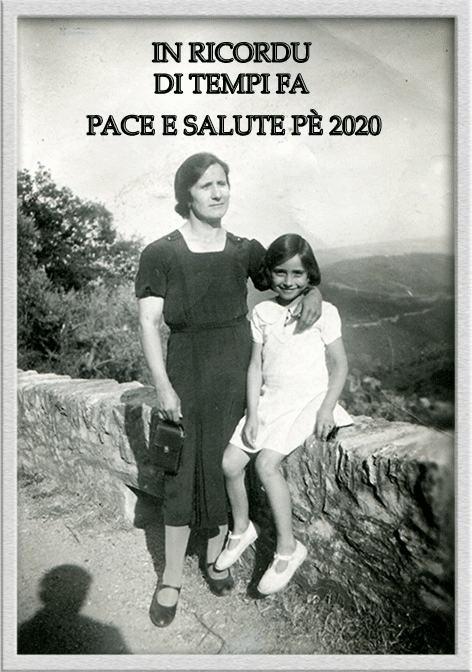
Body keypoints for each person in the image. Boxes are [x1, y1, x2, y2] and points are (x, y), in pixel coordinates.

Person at [135, 153, 322, 627]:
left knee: (224, 464)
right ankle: (170, 578)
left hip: (237, 371)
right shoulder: (161, 253)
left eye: (223, 183)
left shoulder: (245, 249)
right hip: (186, 369)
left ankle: (217, 559)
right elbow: (149, 322)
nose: (218, 193)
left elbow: (287, 280)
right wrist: (163, 386)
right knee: (181, 472)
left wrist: (314, 291)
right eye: (206, 185)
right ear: (186, 194)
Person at [215, 234, 352, 595]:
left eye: (298, 274)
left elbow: (340, 365)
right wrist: (253, 413)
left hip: (307, 401)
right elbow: (255, 367)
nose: (288, 281)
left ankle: (288, 549)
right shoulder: (263, 312)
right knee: (230, 463)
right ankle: (242, 528)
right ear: (269, 273)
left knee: (266, 465)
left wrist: (327, 408)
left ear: (310, 276)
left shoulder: (324, 311)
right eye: (280, 272)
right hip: (270, 401)